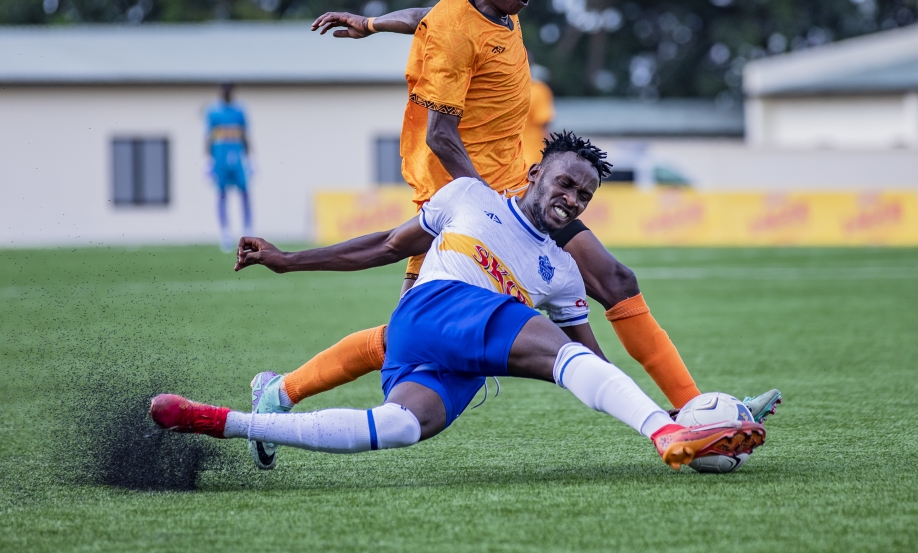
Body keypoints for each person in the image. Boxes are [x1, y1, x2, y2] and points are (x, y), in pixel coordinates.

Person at [305, 0, 779, 434]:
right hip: (469, 197)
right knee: (401, 338)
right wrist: (489, 211)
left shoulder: (492, 5)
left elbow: (426, 15)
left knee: (615, 279)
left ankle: (692, 409)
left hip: (515, 183)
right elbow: (441, 135)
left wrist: (372, 23)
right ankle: (281, 391)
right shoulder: (457, 32)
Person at [150, 134, 765, 471]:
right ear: (534, 175)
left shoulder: (563, 274)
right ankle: (664, 438)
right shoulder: (471, 196)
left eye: (584, 195)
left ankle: (226, 422)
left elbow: (590, 363)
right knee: (548, 348)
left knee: (398, 428)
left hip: (459, 362)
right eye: (565, 182)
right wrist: (288, 259)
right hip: (433, 308)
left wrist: (702, 415)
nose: (573, 199)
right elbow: (387, 246)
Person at [205, 83, 251, 251]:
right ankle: (225, 233)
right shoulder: (213, 112)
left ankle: (248, 231)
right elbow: (208, 137)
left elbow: (246, 135)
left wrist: (251, 158)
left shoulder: (239, 111)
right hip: (220, 160)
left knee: (245, 193)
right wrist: (208, 161)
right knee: (222, 195)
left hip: (237, 159)